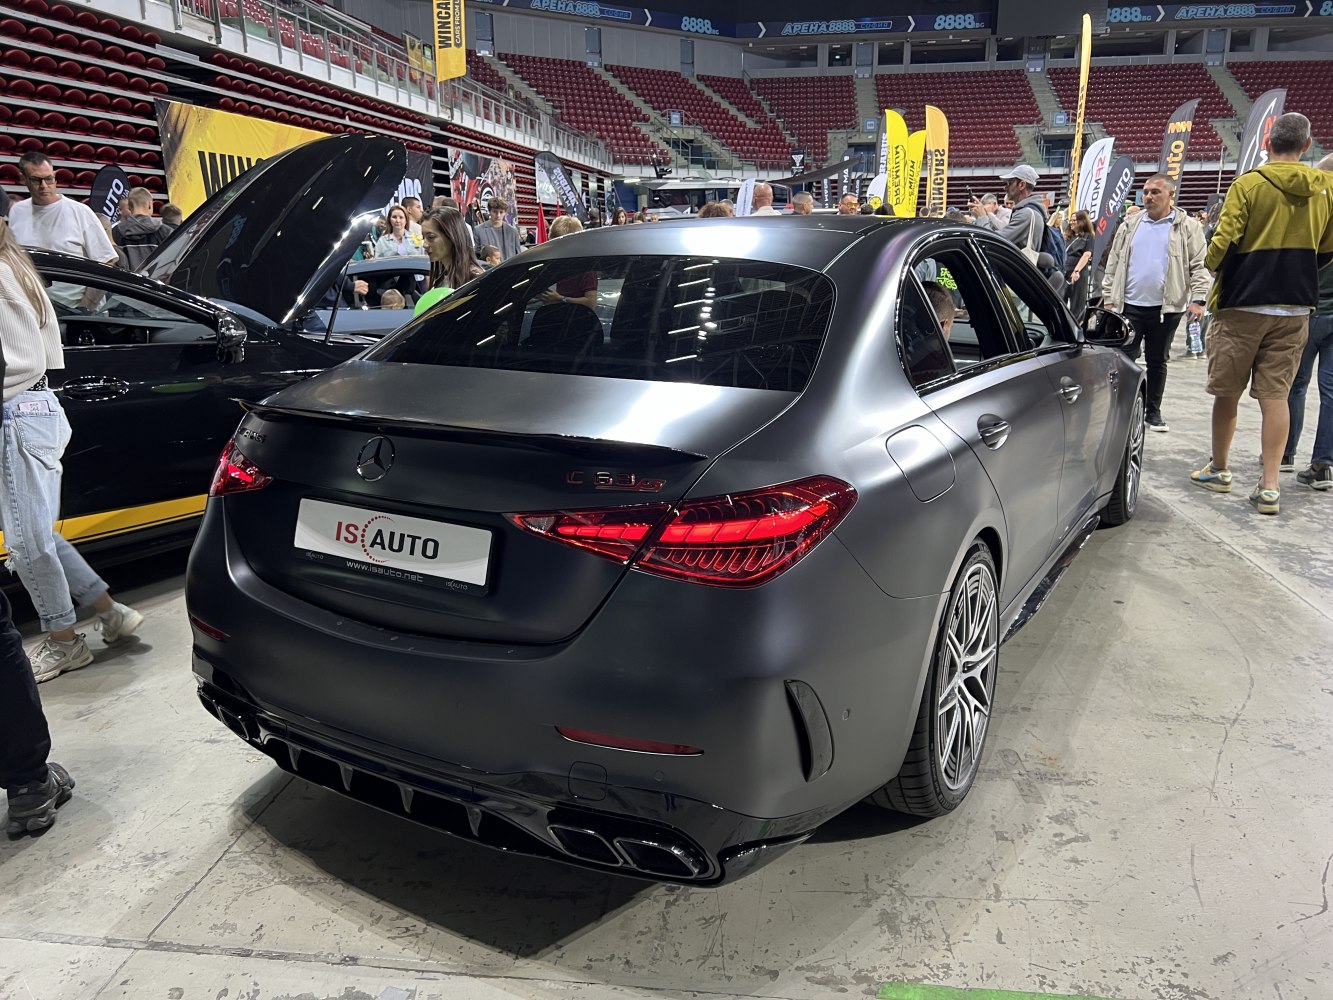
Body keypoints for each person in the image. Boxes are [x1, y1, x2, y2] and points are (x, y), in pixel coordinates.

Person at [0, 194, 144, 683]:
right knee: (35, 531)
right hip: (34, 409)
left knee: (27, 541)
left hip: (14, 414)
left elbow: (11, 363)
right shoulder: (16, 266)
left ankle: (64, 643)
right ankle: (110, 612)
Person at [1191, 113, 1333, 515]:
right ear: (1306, 146)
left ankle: (1220, 469)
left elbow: (1223, 241)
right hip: (1295, 307)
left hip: (1242, 304)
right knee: (1277, 397)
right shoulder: (1326, 188)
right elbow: (1327, 247)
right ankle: (1270, 485)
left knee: (1227, 392)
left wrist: (1215, 264)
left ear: (1267, 140)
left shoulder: (1248, 185)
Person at [1101, 174, 1211, 433]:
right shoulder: (1130, 224)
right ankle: (1123, 410)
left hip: (1167, 309)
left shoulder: (1187, 227)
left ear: (1171, 194)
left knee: (1157, 361)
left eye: (1155, 192)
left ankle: (1153, 412)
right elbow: (1114, 262)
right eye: (1146, 192)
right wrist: (1108, 298)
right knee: (1124, 360)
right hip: (1128, 305)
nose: (1148, 197)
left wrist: (1198, 300)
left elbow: (1199, 264)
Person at [1280, 149, 1333, 491]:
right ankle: (1323, 463)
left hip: (1312, 312)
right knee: (1331, 392)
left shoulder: (1316, 211)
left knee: (1295, 385)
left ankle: (1283, 452)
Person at [9, 153, 118, 267]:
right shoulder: (17, 211)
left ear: (55, 176)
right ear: (23, 179)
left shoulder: (80, 212)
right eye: (36, 180)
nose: (44, 186)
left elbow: (107, 261)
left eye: (49, 179)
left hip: (75, 284)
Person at [414, 207, 483, 317]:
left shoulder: (475, 278)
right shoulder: (441, 278)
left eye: (431, 237)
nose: (425, 244)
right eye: (423, 237)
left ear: (452, 236)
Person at [969, 165, 1048, 255]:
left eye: (1009, 183)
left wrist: (982, 216)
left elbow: (994, 242)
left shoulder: (1026, 214)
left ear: (1022, 185)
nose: (1005, 188)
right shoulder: (1031, 211)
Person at [537, 215, 597, 310]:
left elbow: (591, 303)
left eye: (559, 245)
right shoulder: (562, 264)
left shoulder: (586, 267)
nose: (556, 249)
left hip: (578, 319)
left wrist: (560, 299)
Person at [111, 187, 168, 270]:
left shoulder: (115, 232)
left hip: (126, 281)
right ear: (149, 204)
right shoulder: (165, 231)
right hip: (155, 281)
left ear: (130, 207)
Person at [1063, 210, 1095, 323]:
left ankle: (1076, 328)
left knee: (1077, 303)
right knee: (1060, 299)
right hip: (1064, 270)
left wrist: (1076, 271)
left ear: (1082, 221)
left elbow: (1087, 254)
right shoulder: (1067, 236)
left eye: (1074, 220)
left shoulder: (1088, 236)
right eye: (1070, 220)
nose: (1071, 222)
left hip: (1079, 272)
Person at [473, 196, 521, 262]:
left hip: (509, 270)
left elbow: (518, 256)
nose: (498, 215)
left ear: (505, 213)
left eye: (501, 212)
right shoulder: (478, 230)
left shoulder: (512, 232)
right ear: (489, 211)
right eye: (495, 212)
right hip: (488, 270)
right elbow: (476, 257)